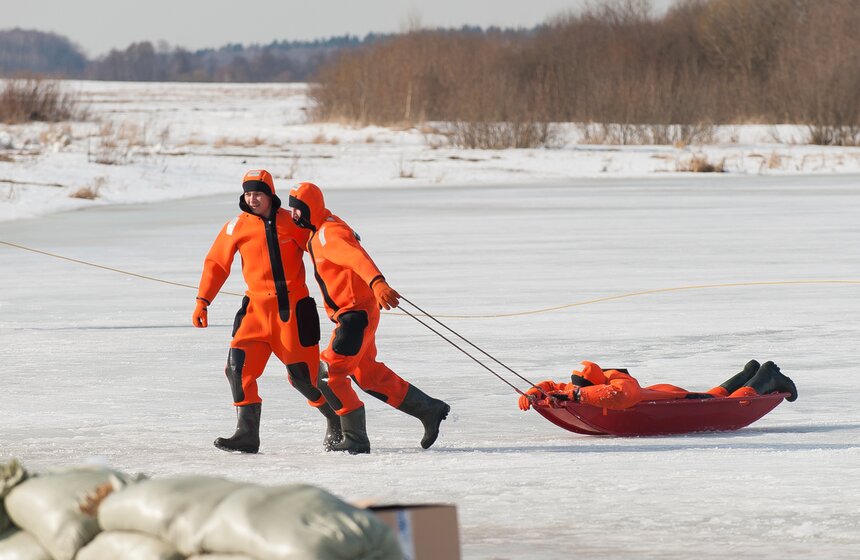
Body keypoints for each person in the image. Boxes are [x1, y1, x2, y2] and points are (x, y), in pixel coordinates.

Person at [287, 181, 450, 454]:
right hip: (354, 313)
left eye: (297, 210)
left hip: (355, 316)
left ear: (309, 209)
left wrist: (378, 284)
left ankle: (355, 438)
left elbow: (356, 257)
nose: (293, 216)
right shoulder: (319, 228)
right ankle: (429, 409)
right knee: (368, 374)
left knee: (328, 373)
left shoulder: (329, 234)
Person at [192, 169, 341, 454]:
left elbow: (326, 245)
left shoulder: (293, 222)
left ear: (270, 194)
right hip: (255, 312)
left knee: (304, 379)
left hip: (292, 313)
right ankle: (246, 434)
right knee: (237, 369)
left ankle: (337, 418)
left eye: (257, 193)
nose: (252, 199)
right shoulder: (236, 226)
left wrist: (344, 241)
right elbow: (216, 264)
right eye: (248, 194)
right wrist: (203, 300)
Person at [518, 359, 797, 411]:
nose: (571, 388)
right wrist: (535, 392)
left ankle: (768, 375)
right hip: (662, 391)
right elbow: (556, 385)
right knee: (713, 394)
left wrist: (577, 395)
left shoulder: (618, 381)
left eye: (578, 387)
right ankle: (748, 372)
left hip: (668, 398)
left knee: (728, 402)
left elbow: (623, 396)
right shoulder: (588, 381)